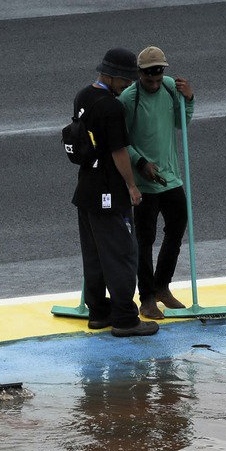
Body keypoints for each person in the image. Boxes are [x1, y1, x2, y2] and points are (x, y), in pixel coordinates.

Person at [72, 49, 156, 337]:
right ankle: (124, 318)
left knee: (94, 254)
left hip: (86, 188)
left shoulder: (83, 95)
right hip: (109, 191)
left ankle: (98, 312)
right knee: (121, 253)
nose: (129, 85)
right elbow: (119, 151)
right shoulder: (112, 107)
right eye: (125, 79)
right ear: (111, 76)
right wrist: (132, 186)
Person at [120, 46, 196, 320]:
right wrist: (140, 162)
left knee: (176, 230)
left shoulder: (169, 87)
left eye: (157, 78)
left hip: (171, 177)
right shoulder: (129, 98)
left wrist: (189, 99)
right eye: (148, 79)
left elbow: (181, 124)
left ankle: (162, 286)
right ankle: (147, 297)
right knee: (144, 240)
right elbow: (120, 141)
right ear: (139, 74)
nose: (154, 84)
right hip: (144, 183)